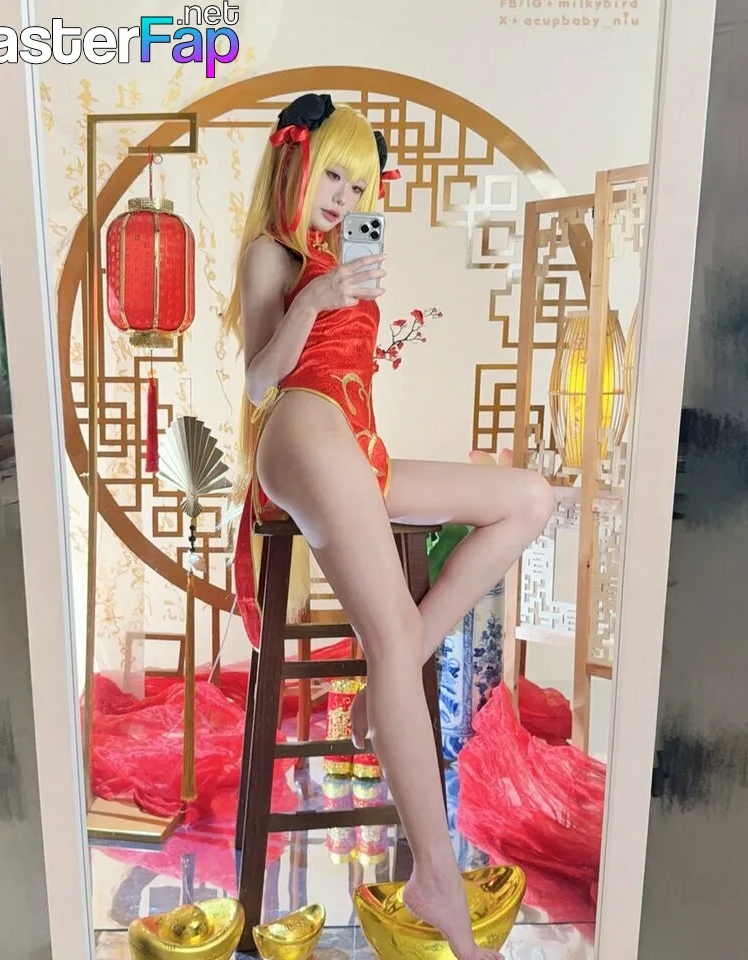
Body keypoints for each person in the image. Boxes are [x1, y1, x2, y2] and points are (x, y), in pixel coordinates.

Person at [223, 93, 555, 960]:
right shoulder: (273, 254)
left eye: (359, 183)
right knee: (393, 632)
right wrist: (314, 299)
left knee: (528, 498)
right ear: (297, 166)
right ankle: (437, 876)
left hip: (357, 442)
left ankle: (391, 671)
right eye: (332, 175)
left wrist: (342, 286)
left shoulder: (346, 251)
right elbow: (258, 382)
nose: (344, 196)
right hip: (300, 430)